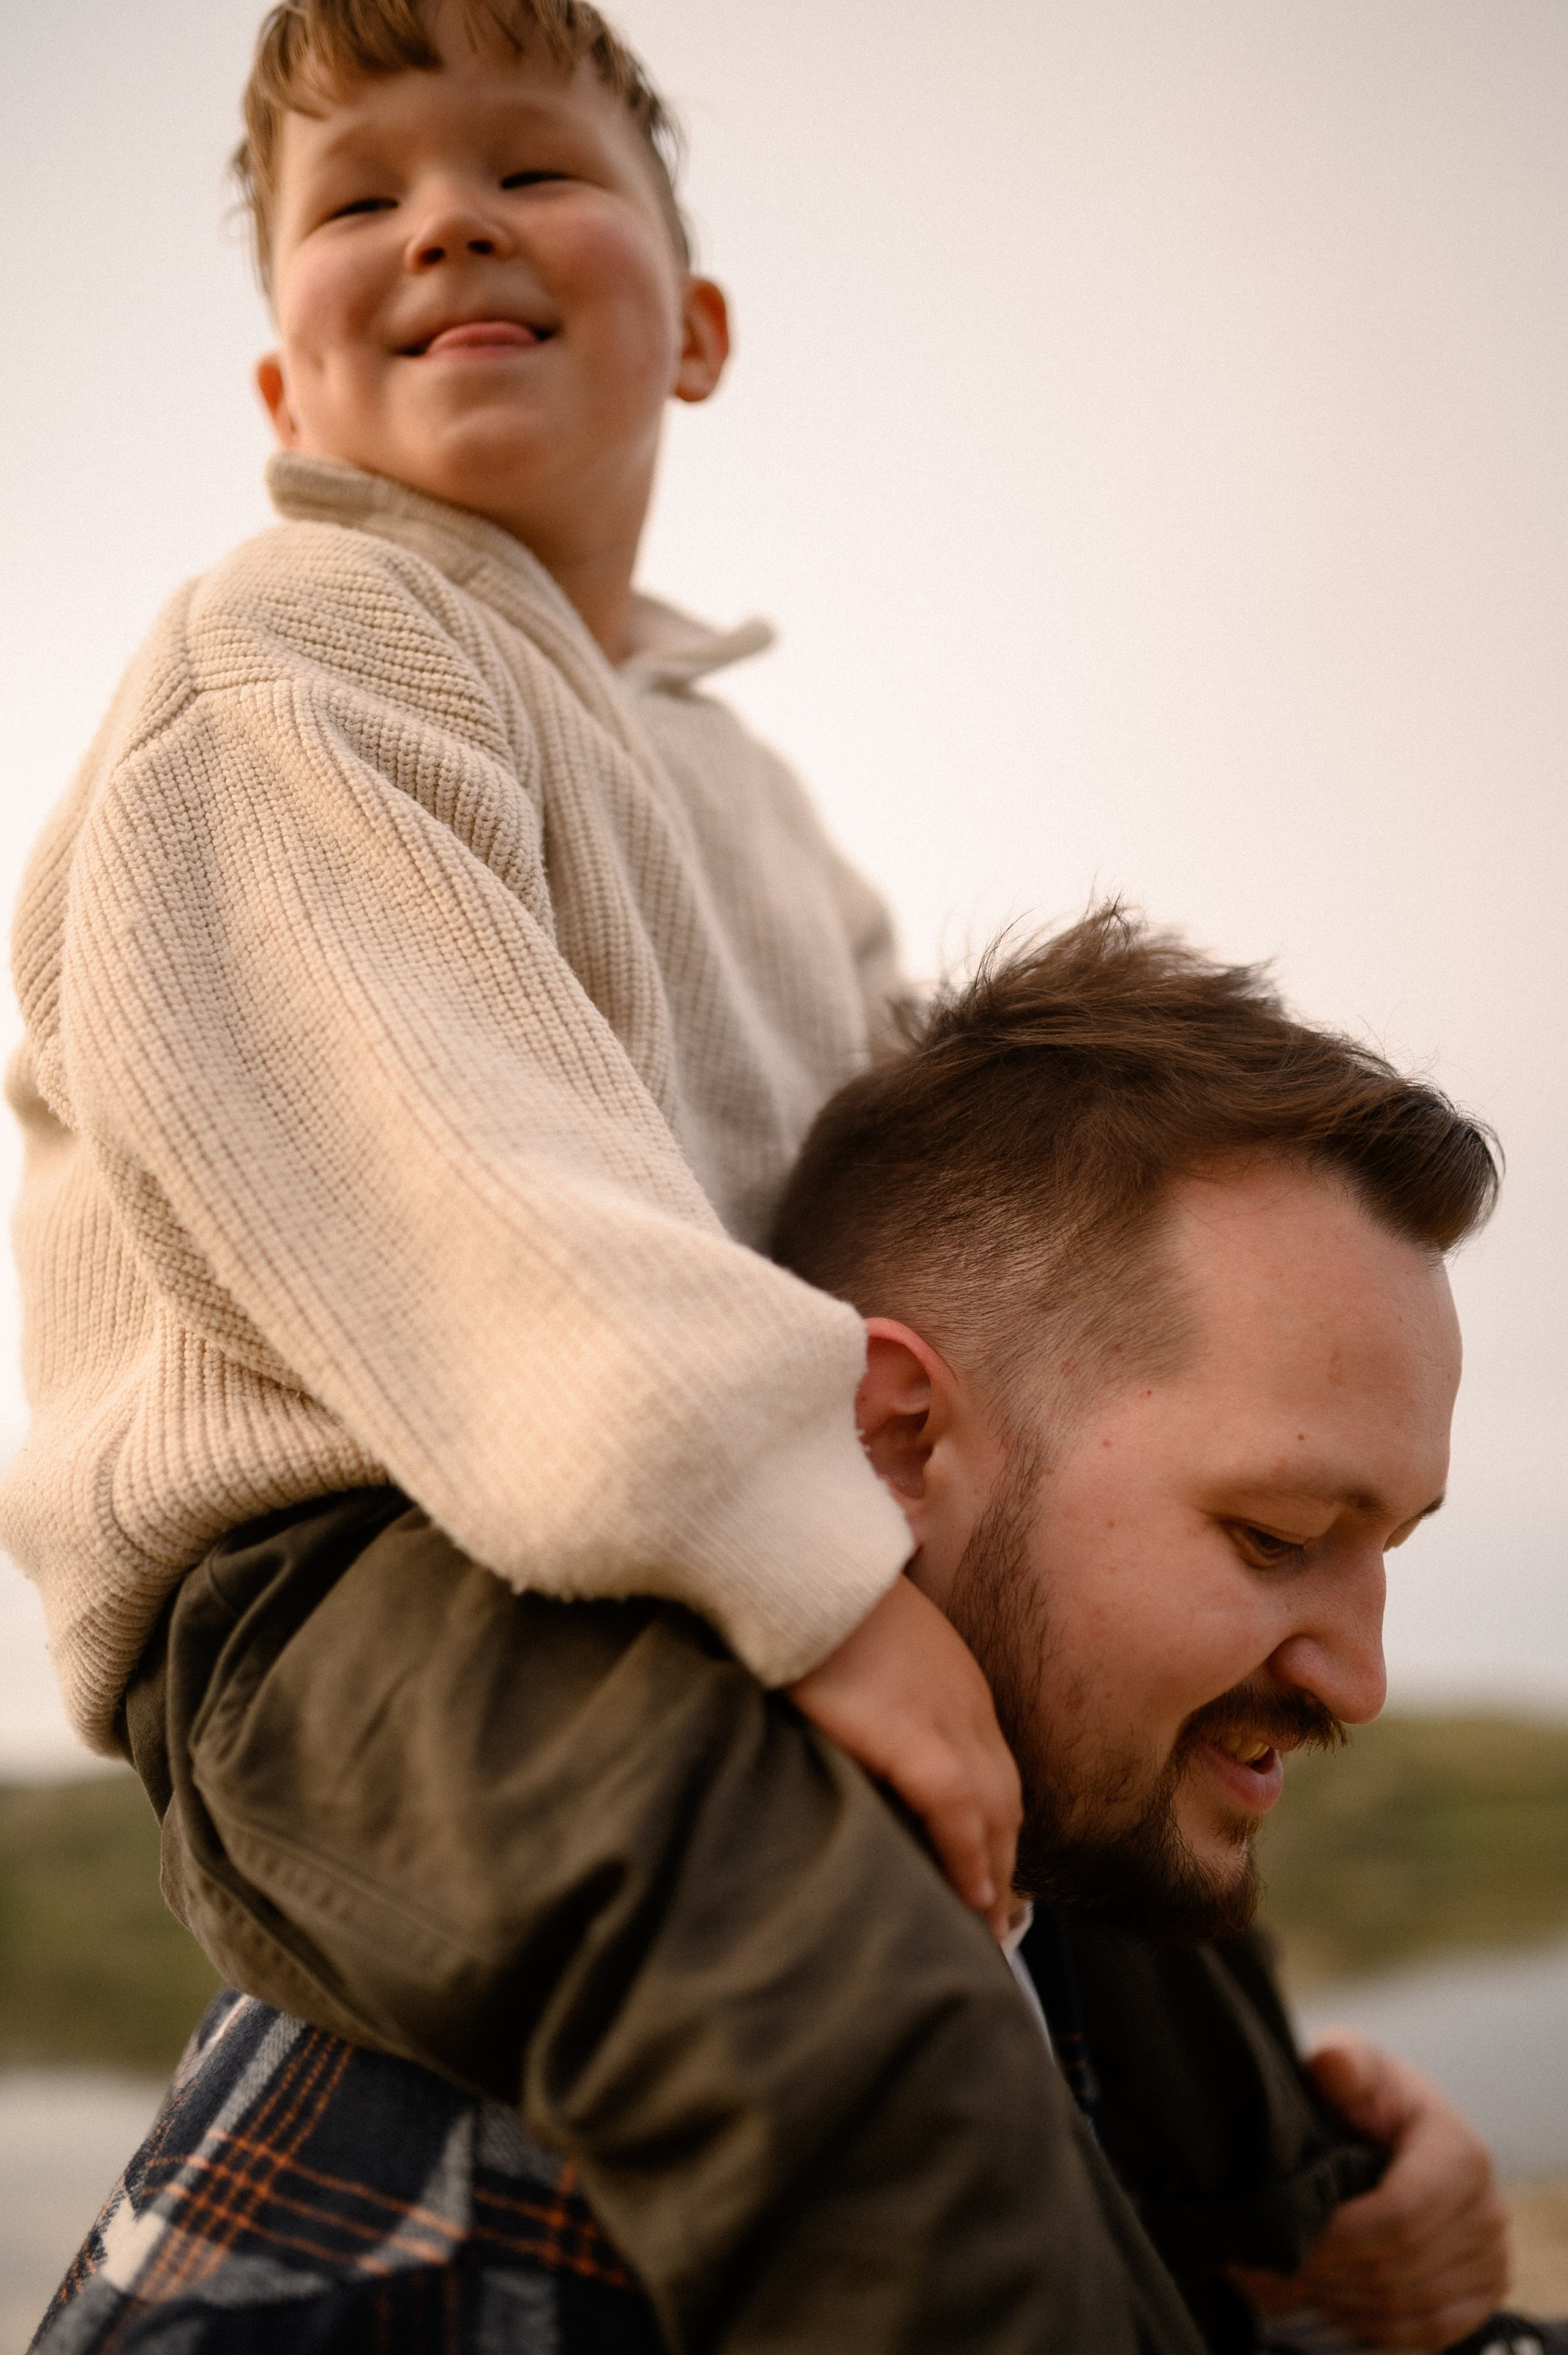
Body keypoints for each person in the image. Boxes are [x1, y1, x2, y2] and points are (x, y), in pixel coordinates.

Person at [1, 5, 1169, 2351]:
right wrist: (825, 1575)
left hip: (701, 1546)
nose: (444, 219)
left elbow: (893, 1215)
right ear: (280, 394)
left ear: (698, 326)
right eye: (359, 200)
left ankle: (1313, 2221)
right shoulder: (296, 651)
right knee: (840, 2004)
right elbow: (453, 1184)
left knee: (1139, 1986)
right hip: (359, 1592)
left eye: (527, 169)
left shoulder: (754, 804)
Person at [32, 913, 1539, 2355]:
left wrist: (1351, 2296)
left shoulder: (1054, 1877)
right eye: (1274, 1537)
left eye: (1385, 1548)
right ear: (895, 1432)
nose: (1363, 1673)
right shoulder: (462, 2220)